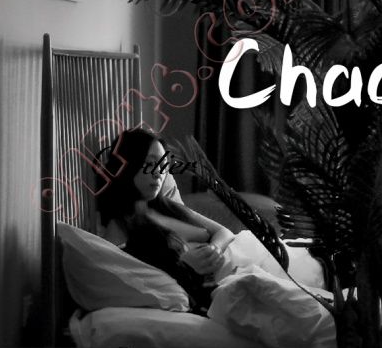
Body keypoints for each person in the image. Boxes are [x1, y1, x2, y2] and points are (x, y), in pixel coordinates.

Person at [95, 128, 290, 313]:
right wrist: (184, 265)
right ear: (128, 165)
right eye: (149, 163)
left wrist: (214, 248)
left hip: (242, 255)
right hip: (229, 280)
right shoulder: (120, 225)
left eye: (163, 165)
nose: (158, 173)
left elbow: (224, 232)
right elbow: (124, 272)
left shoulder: (169, 207)